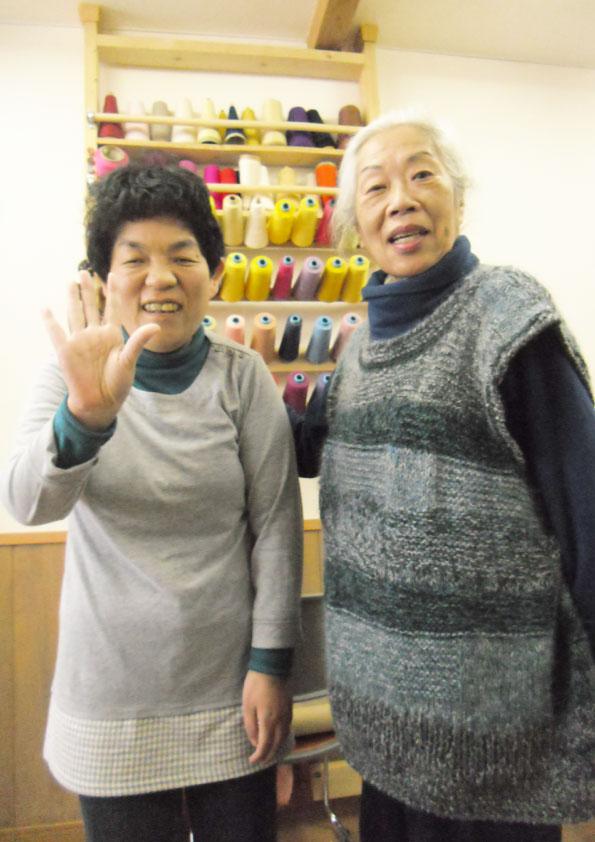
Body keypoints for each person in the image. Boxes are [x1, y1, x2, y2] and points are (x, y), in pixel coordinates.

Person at [290, 112, 595, 842]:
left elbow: (586, 512)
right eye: (375, 188)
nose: (401, 199)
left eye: (422, 174)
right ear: (354, 229)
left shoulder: (507, 320)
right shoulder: (358, 353)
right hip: (383, 732)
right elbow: (298, 449)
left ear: (457, 195)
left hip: (494, 746)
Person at [1, 164, 303, 842]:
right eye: (134, 259)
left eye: (182, 256)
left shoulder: (242, 377)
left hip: (232, 692)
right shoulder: (69, 374)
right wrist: (85, 416)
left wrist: (271, 665)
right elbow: (27, 501)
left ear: (214, 274)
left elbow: (278, 528)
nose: (159, 278)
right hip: (111, 700)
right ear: (103, 281)